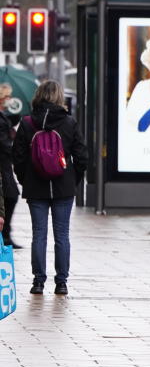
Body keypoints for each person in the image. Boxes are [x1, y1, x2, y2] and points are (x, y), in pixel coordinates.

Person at [12, 81, 87, 296]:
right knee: (62, 235)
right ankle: (61, 282)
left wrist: (25, 179)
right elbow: (82, 156)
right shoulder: (69, 122)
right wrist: (73, 180)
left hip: (36, 186)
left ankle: (38, 281)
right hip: (64, 187)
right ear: (59, 97)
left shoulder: (27, 123)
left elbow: (18, 157)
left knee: (39, 234)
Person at [0, 84, 20, 247]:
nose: (9, 100)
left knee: (10, 195)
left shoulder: (3, 116)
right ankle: (5, 234)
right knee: (10, 195)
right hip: (3, 163)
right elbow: (3, 142)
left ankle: (6, 233)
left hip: (5, 164)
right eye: (7, 97)